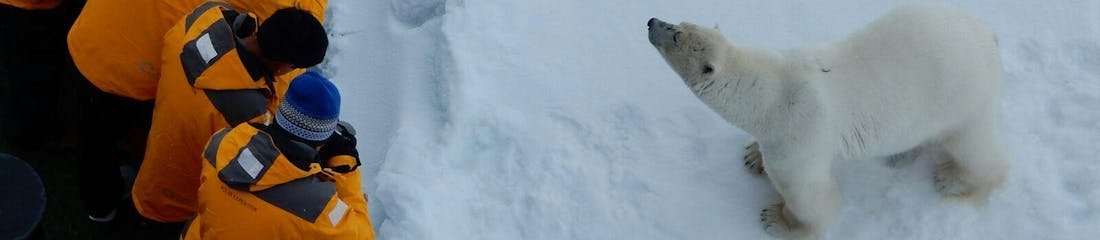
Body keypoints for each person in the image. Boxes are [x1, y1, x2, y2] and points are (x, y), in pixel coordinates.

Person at [66, 0, 328, 224]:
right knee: (100, 138)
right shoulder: (248, 113)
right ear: (284, 66)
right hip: (176, 196)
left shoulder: (202, 19)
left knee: (97, 135)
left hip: (103, 39)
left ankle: (101, 202)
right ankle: (102, 204)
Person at [182, 71, 374, 239]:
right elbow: (363, 235)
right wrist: (346, 173)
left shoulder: (222, 142)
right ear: (323, 141)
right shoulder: (317, 207)